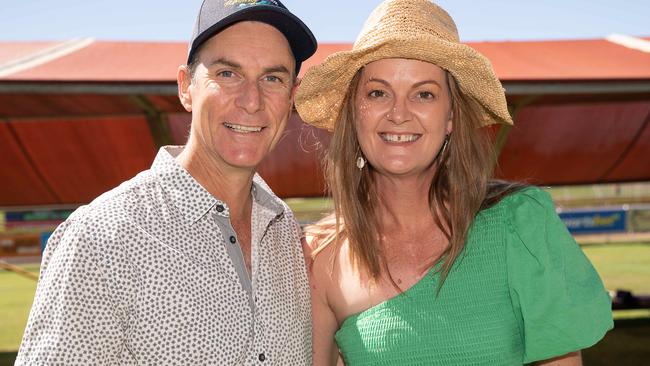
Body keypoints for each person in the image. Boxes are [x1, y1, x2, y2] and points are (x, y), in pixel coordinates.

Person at [295, 0, 613, 365]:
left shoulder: (520, 225)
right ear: (354, 113)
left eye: (424, 94)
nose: (399, 113)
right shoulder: (322, 258)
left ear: (450, 116)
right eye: (378, 93)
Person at [16, 0, 316, 364]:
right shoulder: (101, 237)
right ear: (186, 87)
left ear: (291, 97)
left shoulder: (289, 237)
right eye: (227, 74)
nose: (251, 100)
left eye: (272, 78)